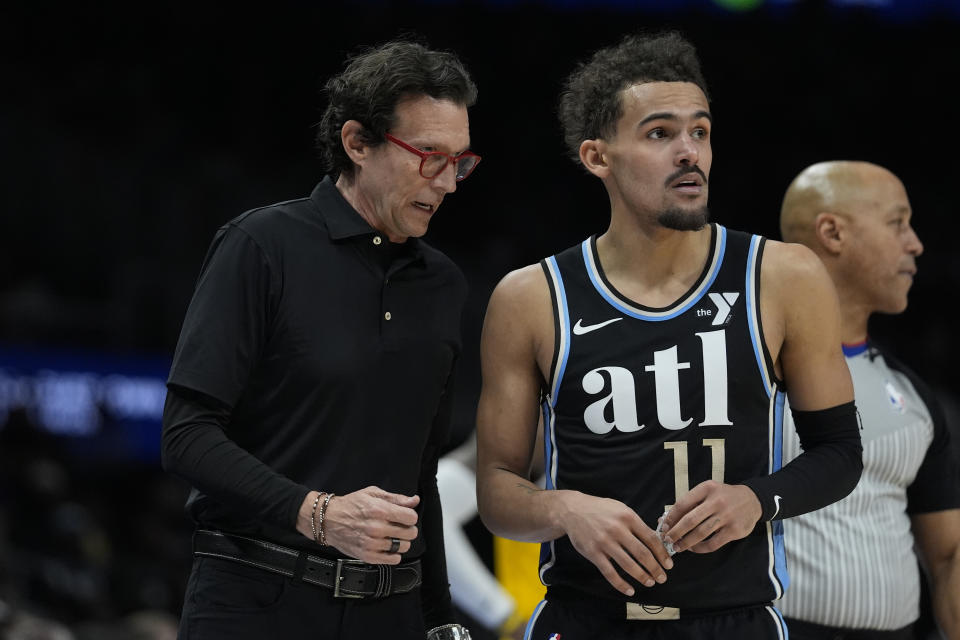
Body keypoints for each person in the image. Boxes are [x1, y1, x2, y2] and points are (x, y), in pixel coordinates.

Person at [475, 30, 864, 639]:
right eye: (660, 134)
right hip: (585, 619)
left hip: (734, 620)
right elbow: (496, 492)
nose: (690, 152)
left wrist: (756, 500)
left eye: (700, 132)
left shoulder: (783, 276)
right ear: (598, 157)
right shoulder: (530, 298)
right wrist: (564, 508)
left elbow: (841, 454)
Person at [161, 38, 481, 640]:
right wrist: (318, 514)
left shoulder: (443, 285)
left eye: (460, 161)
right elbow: (185, 435)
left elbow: (420, 477)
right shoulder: (261, 246)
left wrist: (440, 620)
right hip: (255, 602)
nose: (449, 183)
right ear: (357, 142)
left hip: (391, 614)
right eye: (429, 156)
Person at [778, 160, 960, 640]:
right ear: (832, 233)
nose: (915, 243)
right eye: (898, 223)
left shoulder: (914, 396)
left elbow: (946, 559)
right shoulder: (734, 376)